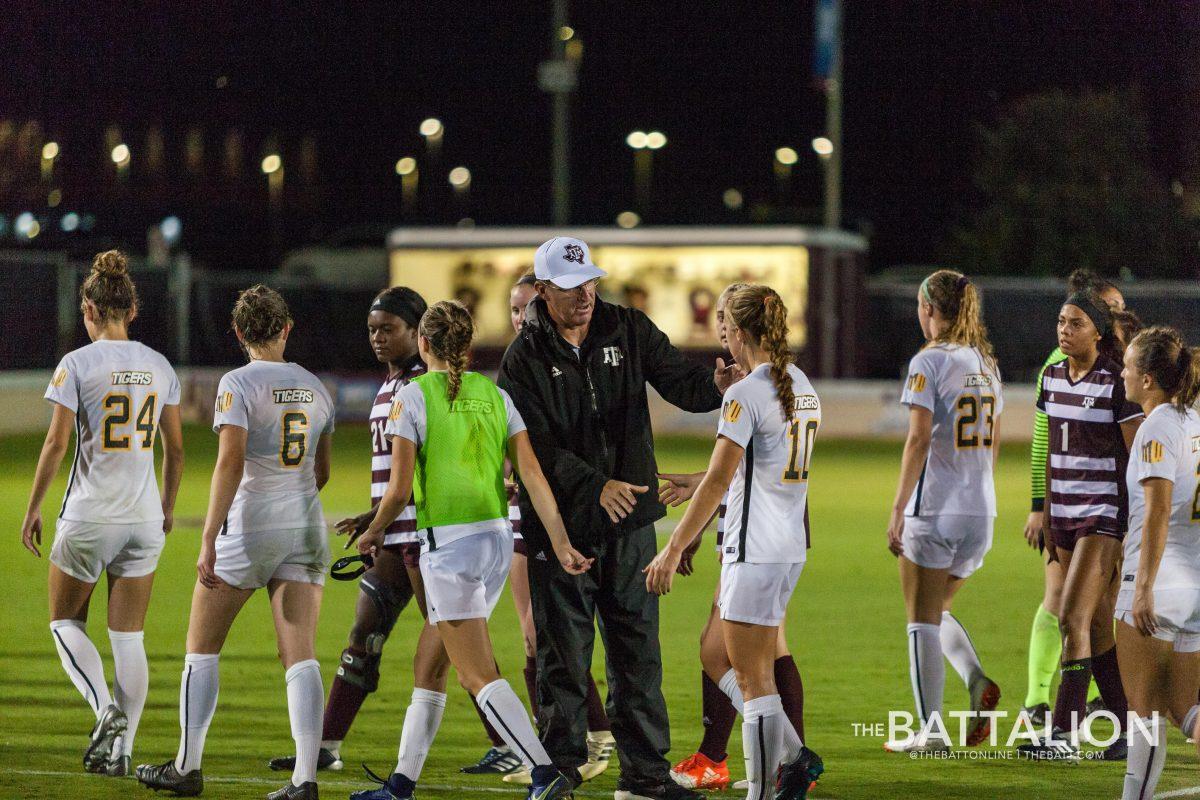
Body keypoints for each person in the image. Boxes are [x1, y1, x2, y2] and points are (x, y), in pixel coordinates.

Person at [498, 237, 738, 800]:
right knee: (563, 657)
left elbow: (680, 380)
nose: (585, 294)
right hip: (561, 532)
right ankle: (560, 772)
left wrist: (716, 388)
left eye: (590, 282)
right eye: (571, 286)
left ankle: (646, 779)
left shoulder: (627, 327)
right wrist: (593, 485)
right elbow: (534, 448)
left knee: (637, 658)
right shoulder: (522, 359)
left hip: (630, 526)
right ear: (544, 290)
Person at [347, 300, 588, 800]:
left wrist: (373, 532)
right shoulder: (496, 394)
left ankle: (544, 773)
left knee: (474, 673)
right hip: (497, 540)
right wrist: (560, 541)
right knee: (429, 665)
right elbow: (533, 476)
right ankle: (400, 785)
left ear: (424, 344)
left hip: (450, 549)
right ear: (468, 347)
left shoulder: (411, 396)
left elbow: (397, 492)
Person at [136, 285, 335, 800]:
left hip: (251, 525)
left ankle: (187, 766)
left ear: (240, 333)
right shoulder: (315, 386)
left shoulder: (238, 383)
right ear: (287, 329)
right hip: (306, 526)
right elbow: (323, 471)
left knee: (201, 648)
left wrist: (208, 537)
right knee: (301, 656)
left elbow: (229, 461)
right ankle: (305, 778)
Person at [645, 284, 824, 800]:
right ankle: (792, 760)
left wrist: (674, 546)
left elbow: (722, 481)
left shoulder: (746, 395)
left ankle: (768, 788)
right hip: (787, 548)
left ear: (740, 332)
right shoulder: (802, 385)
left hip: (753, 549)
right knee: (749, 673)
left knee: (751, 682)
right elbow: (754, 469)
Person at [21, 250, 183, 777]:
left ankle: (104, 712)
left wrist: (33, 508)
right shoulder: (159, 365)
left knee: (64, 622)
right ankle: (121, 754)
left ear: (88, 307)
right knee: (129, 638)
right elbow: (175, 450)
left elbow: (55, 442)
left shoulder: (77, 364)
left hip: (90, 515)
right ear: (131, 311)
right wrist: (167, 508)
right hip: (143, 518)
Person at [268, 287, 428, 774]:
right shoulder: (392, 384)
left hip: (423, 535)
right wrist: (373, 515)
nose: (378, 338)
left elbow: (434, 470)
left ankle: (511, 743)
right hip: (392, 529)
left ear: (418, 332)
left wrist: (380, 520)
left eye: (389, 329)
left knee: (454, 645)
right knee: (363, 635)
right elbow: (398, 472)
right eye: (373, 330)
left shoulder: (427, 387)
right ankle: (326, 745)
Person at [497, 271, 615, 786]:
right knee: (537, 637)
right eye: (514, 311)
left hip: (555, 517)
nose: (521, 318)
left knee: (542, 635)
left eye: (527, 307)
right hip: (528, 515)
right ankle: (561, 747)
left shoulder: (558, 365)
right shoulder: (517, 370)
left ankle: (585, 742)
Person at [1017, 290, 1141, 761]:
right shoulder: (1050, 378)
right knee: (1098, 625)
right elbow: (1050, 451)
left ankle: (1063, 737)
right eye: (1061, 322)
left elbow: (1131, 456)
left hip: (1102, 515)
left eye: (1074, 324)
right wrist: (1047, 514)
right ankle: (1128, 729)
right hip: (1064, 516)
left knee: (1072, 618)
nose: (1063, 331)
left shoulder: (1114, 382)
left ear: (1098, 332)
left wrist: (1128, 524)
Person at [883, 270, 1004, 753]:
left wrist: (897, 507)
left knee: (920, 619)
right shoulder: (986, 364)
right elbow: (992, 442)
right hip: (981, 510)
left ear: (929, 310)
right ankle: (976, 681)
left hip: (934, 508)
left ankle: (930, 732)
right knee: (939, 609)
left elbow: (918, 438)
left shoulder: (927, 361)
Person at [1113, 326, 1200, 799]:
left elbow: (1160, 508)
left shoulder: (1158, 426)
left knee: (1142, 710)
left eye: (1128, 366)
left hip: (1159, 583)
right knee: (1186, 707)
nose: (1122, 372)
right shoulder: (1193, 420)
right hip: (1195, 581)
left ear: (1148, 379)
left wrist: (1143, 585)